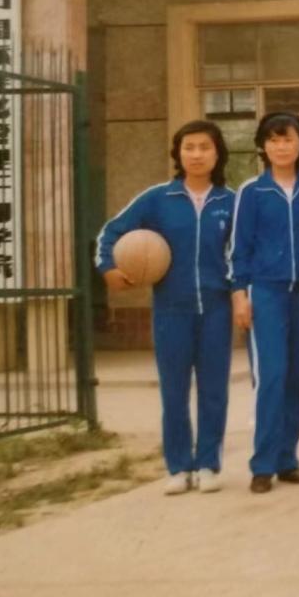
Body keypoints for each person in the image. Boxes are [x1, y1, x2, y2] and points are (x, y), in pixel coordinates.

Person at [96, 120, 235, 495]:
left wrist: (241, 296)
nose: (196, 154)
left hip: (217, 309)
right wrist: (108, 268)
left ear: (217, 153)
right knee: (174, 390)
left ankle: (208, 465)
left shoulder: (231, 201)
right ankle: (178, 467)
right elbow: (111, 231)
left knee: (213, 390)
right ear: (177, 153)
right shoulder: (157, 199)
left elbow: (243, 253)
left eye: (204, 147)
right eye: (189, 147)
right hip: (171, 310)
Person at [229, 112, 299, 493]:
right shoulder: (252, 192)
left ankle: (287, 459)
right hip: (266, 292)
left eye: (288, 139)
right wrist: (239, 295)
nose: (281, 147)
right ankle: (262, 464)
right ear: (263, 146)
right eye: (273, 140)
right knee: (272, 375)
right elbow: (239, 249)